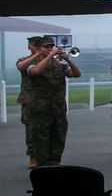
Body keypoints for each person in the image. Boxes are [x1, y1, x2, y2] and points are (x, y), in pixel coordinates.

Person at [26, 36, 82, 167]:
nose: (50, 49)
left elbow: (77, 74)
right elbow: (36, 71)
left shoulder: (60, 66)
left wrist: (67, 58)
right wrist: (50, 56)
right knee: (41, 141)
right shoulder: (32, 64)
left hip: (58, 109)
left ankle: (54, 166)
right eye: (47, 47)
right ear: (39, 49)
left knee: (58, 139)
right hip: (41, 111)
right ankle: (42, 168)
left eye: (51, 47)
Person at [16, 36, 43, 168]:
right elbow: (21, 67)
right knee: (31, 129)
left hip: (46, 100)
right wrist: (37, 55)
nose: (36, 47)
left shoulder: (49, 60)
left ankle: (48, 156)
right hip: (29, 99)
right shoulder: (24, 60)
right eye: (34, 45)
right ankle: (33, 156)